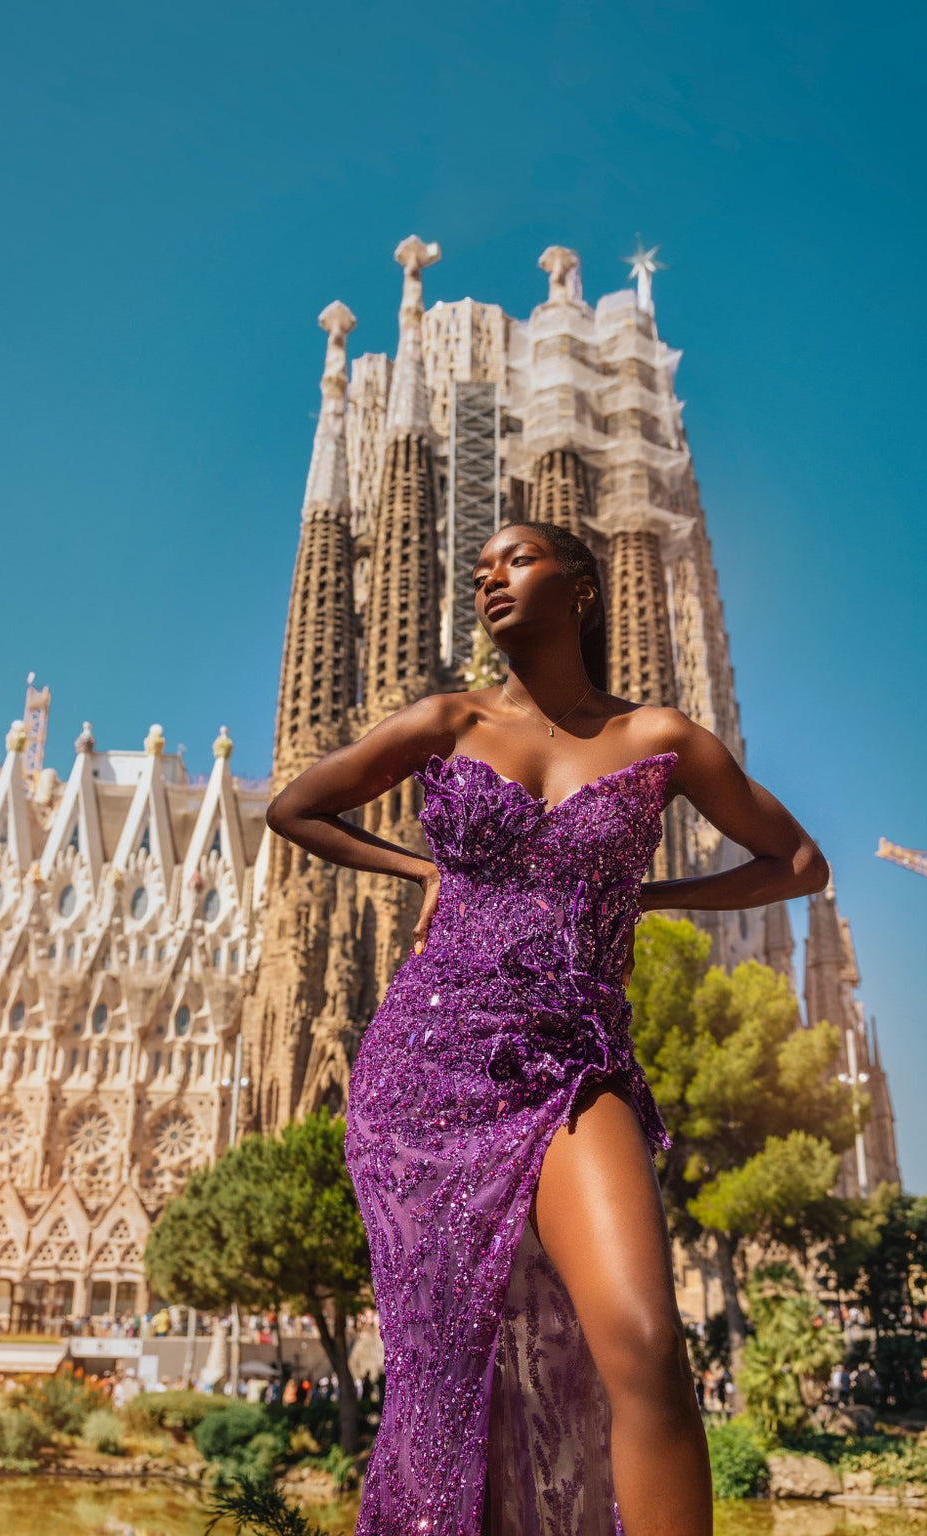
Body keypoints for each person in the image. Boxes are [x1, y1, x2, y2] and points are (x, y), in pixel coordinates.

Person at [266, 521, 829, 1535]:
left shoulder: (659, 737)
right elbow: (297, 808)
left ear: (580, 587)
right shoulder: (447, 719)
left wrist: (647, 894)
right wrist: (424, 870)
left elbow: (798, 865)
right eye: (478, 568)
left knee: (646, 1342)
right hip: (426, 1067)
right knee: (452, 1376)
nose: (489, 576)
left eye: (514, 560)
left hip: (572, 1059)